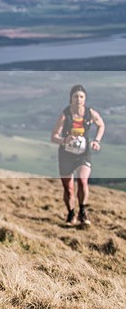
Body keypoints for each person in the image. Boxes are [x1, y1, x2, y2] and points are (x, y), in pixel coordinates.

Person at [50, 84, 105, 227]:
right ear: (71, 98)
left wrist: (97, 141)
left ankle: (82, 211)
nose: (78, 99)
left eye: (81, 97)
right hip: (66, 155)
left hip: (83, 154)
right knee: (68, 189)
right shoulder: (65, 115)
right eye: (76, 96)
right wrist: (63, 140)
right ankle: (71, 213)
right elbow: (53, 136)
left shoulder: (90, 113)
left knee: (82, 180)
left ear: (85, 99)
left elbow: (101, 125)